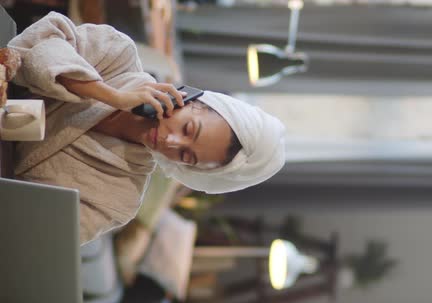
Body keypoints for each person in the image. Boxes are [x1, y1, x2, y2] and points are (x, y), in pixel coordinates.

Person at [7, 12, 286, 244]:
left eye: (187, 157)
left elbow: (35, 235)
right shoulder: (118, 55)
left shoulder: (120, 198)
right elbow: (33, 47)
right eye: (189, 129)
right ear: (191, 98)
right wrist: (110, 95)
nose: (172, 143)